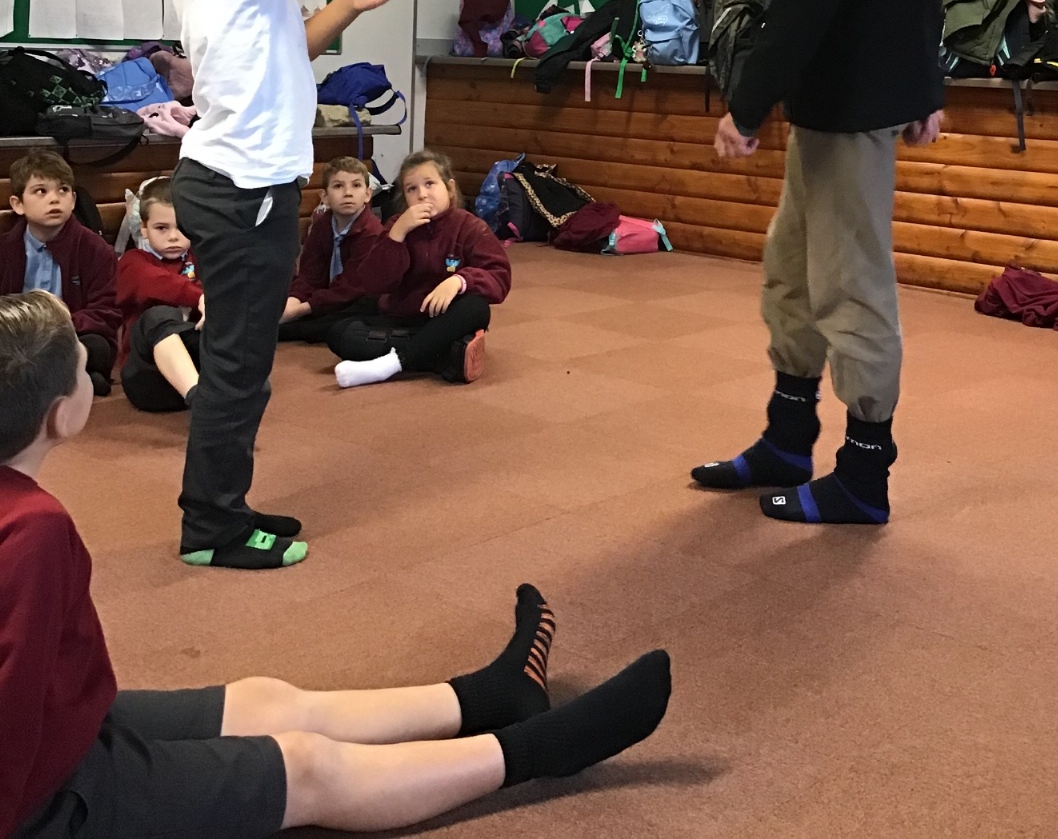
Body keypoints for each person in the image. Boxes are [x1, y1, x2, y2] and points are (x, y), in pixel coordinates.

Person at [0, 290, 672, 839]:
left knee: (267, 701)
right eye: (83, 370)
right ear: (61, 417)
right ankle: (537, 750)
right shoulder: (34, 530)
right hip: (42, 800)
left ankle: (489, 697)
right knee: (308, 768)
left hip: (67, 725)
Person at [691, 0, 943, 525]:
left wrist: (747, 99)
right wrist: (925, 79)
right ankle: (787, 439)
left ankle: (864, 478)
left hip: (850, 104)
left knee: (851, 287)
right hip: (832, 101)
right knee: (793, 275)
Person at [161, 0, 435, 570]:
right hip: (241, 190)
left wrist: (350, 3)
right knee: (239, 367)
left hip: (239, 185)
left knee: (244, 361)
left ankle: (224, 504)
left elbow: (293, 48)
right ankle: (211, 529)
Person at [330, 150, 507, 388]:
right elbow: (374, 283)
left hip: (446, 319)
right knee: (340, 332)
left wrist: (459, 281)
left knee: (477, 308)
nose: (422, 194)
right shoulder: (396, 225)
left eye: (430, 184)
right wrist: (396, 236)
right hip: (403, 319)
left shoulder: (470, 227)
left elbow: (499, 276)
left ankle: (391, 364)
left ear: (450, 188)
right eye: (412, 189)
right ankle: (443, 356)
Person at [0, 151, 119, 397]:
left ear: (73, 200)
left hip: (71, 336)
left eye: (63, 190)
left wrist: (57, 328)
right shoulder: (5, 249)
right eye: (41, 191)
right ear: (18, 204)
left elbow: (106, 311)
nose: (54, 199)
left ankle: (40, 381)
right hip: (17, 338)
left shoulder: (96, 249)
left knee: (96, 347)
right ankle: (71, 380)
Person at [115, 177, 204, 413]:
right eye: (162, 228)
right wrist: (201, 298)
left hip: (196, 367)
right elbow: (156, 283)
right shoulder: (132, 262)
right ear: (144, 229)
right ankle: (200, 398)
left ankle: (214, 393)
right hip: (146, 379)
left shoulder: (202, 261)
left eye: (181, 227)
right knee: (158, 315)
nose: (173, 236)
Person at [278, 156, 383, 345]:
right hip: (326, 297)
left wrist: (301, 309)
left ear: (368, 194)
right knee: (279, 287)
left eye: (356, 185)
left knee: (363, 308)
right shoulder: (322, 226)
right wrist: (294, 300)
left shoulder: (372, 233)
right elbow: (310, 276)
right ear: (324, 196)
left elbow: (351, 288)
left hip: (354, 299)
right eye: (338, 186)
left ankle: (285, 329)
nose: (348, 193)